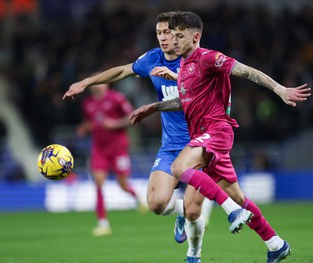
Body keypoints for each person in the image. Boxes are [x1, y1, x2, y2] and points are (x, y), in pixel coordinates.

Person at [130, 11, 311, 263]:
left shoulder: (208, 58)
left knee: (179, 167)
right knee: (239, 195)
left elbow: (246, 71)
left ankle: (231, 211)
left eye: (179, 36)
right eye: (172, 35)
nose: (174, 41)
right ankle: (276, 244)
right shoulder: (184, 67)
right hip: (205, 136)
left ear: (195, 37)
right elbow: (185, 101)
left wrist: (279, 89)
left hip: (215, 131)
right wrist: (154, 107)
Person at [63, 12, 212, 262]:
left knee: (194, 210)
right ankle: (180, 213)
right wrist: (86, 82)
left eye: (168, 33)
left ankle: (193, 256)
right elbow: (122, 72)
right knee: (156, 204)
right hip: (171, 146)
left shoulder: (199, 60)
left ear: (180, 33)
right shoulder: (152, 59)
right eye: (159, 33)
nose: (164, 38)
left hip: (201, 142)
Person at [77, 83, 145, 236]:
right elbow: (90, 121)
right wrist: (84, 128)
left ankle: (136, 196)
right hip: (99, 149)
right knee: (99, 185)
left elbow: (132, 116)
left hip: (118, 148)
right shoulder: (88, 103)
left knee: (122, 185)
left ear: (106, 84)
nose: (98, 86)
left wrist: (115, 124)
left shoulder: (116, 98)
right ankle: (103, 224)